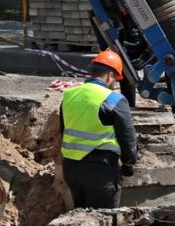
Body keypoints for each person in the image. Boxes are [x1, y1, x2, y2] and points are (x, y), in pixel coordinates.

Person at [59, 49, 138, 209]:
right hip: (100, 170)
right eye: (115, 78)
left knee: (80, 219)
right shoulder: (114, 99)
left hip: (71, 169)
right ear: (109, 75)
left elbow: (63, 129)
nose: (114, 82)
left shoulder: (69, 95)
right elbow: (127, 137)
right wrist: (129, 163)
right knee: (104, 221)